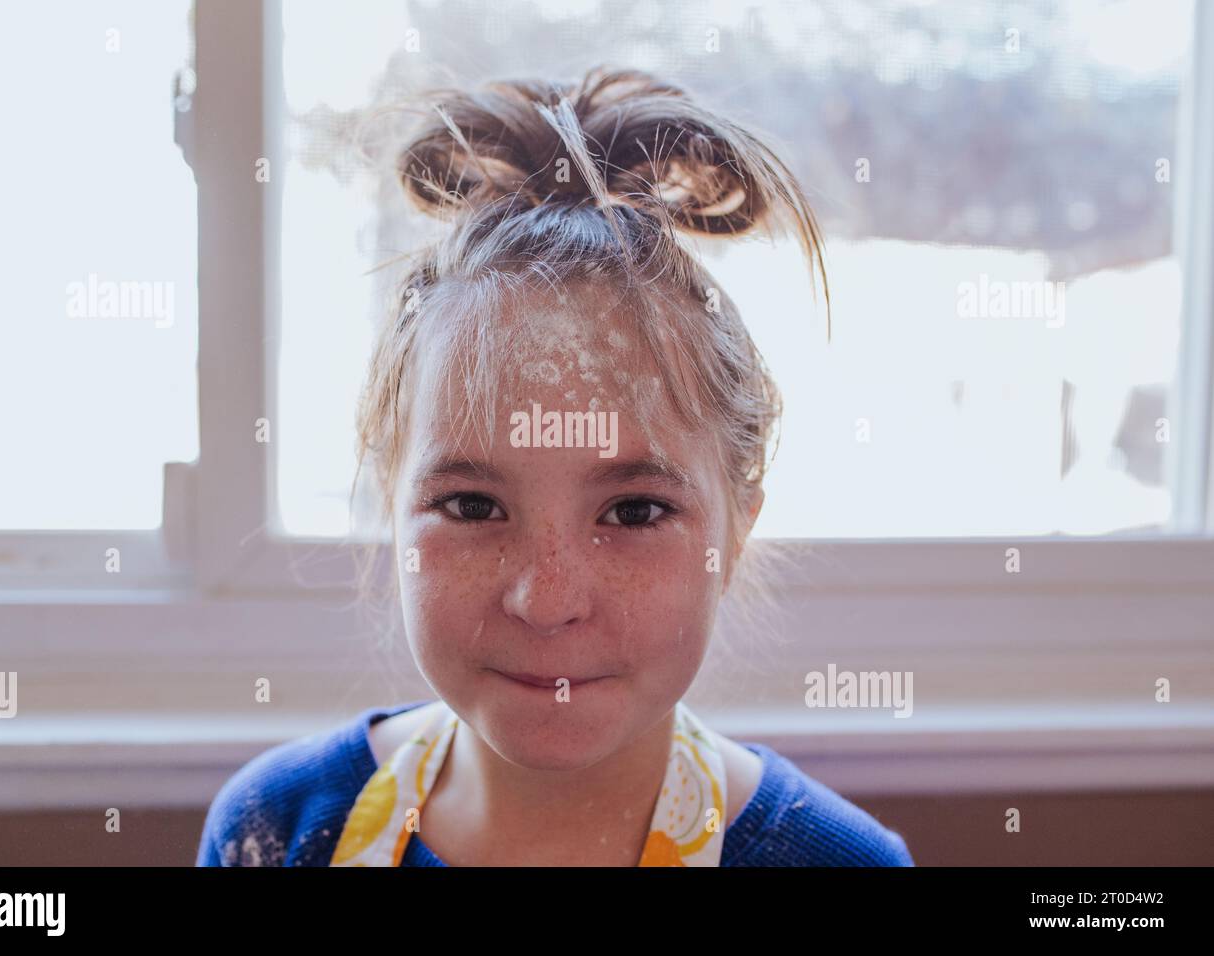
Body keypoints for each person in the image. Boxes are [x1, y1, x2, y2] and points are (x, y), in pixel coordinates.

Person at [197, 65, 913, 867]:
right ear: (388, 505)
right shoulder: (277, 830)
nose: (547, 599)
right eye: (472, 506)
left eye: (635, 512)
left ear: (736, 531)